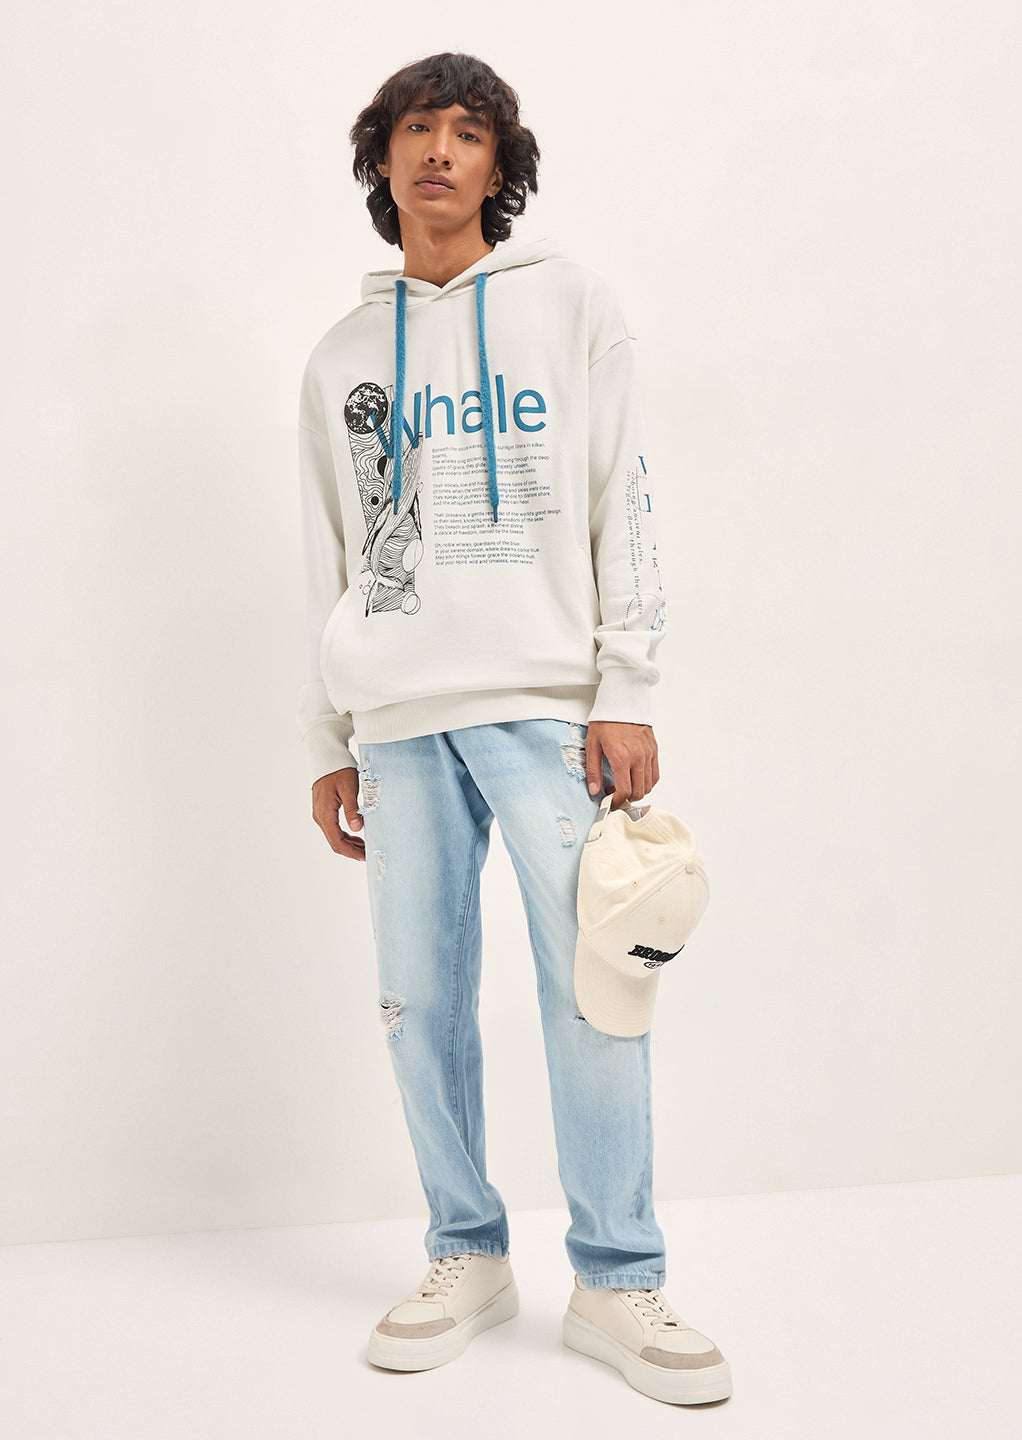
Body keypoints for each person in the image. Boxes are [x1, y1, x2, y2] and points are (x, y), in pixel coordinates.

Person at [295, 51, 732, 1406]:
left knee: (599, 986)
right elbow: (327, 552)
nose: (439, 151)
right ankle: (466, 1252)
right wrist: (326, 736)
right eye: (416, 129)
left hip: (546, 708)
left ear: (500, 163)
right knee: (419, 1002)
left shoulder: (573, 306)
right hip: (396, 718)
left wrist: (626, 688)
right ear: (382, 157)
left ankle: (616, 1276)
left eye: (467, 132)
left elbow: (620, 492)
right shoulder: (343, 357)